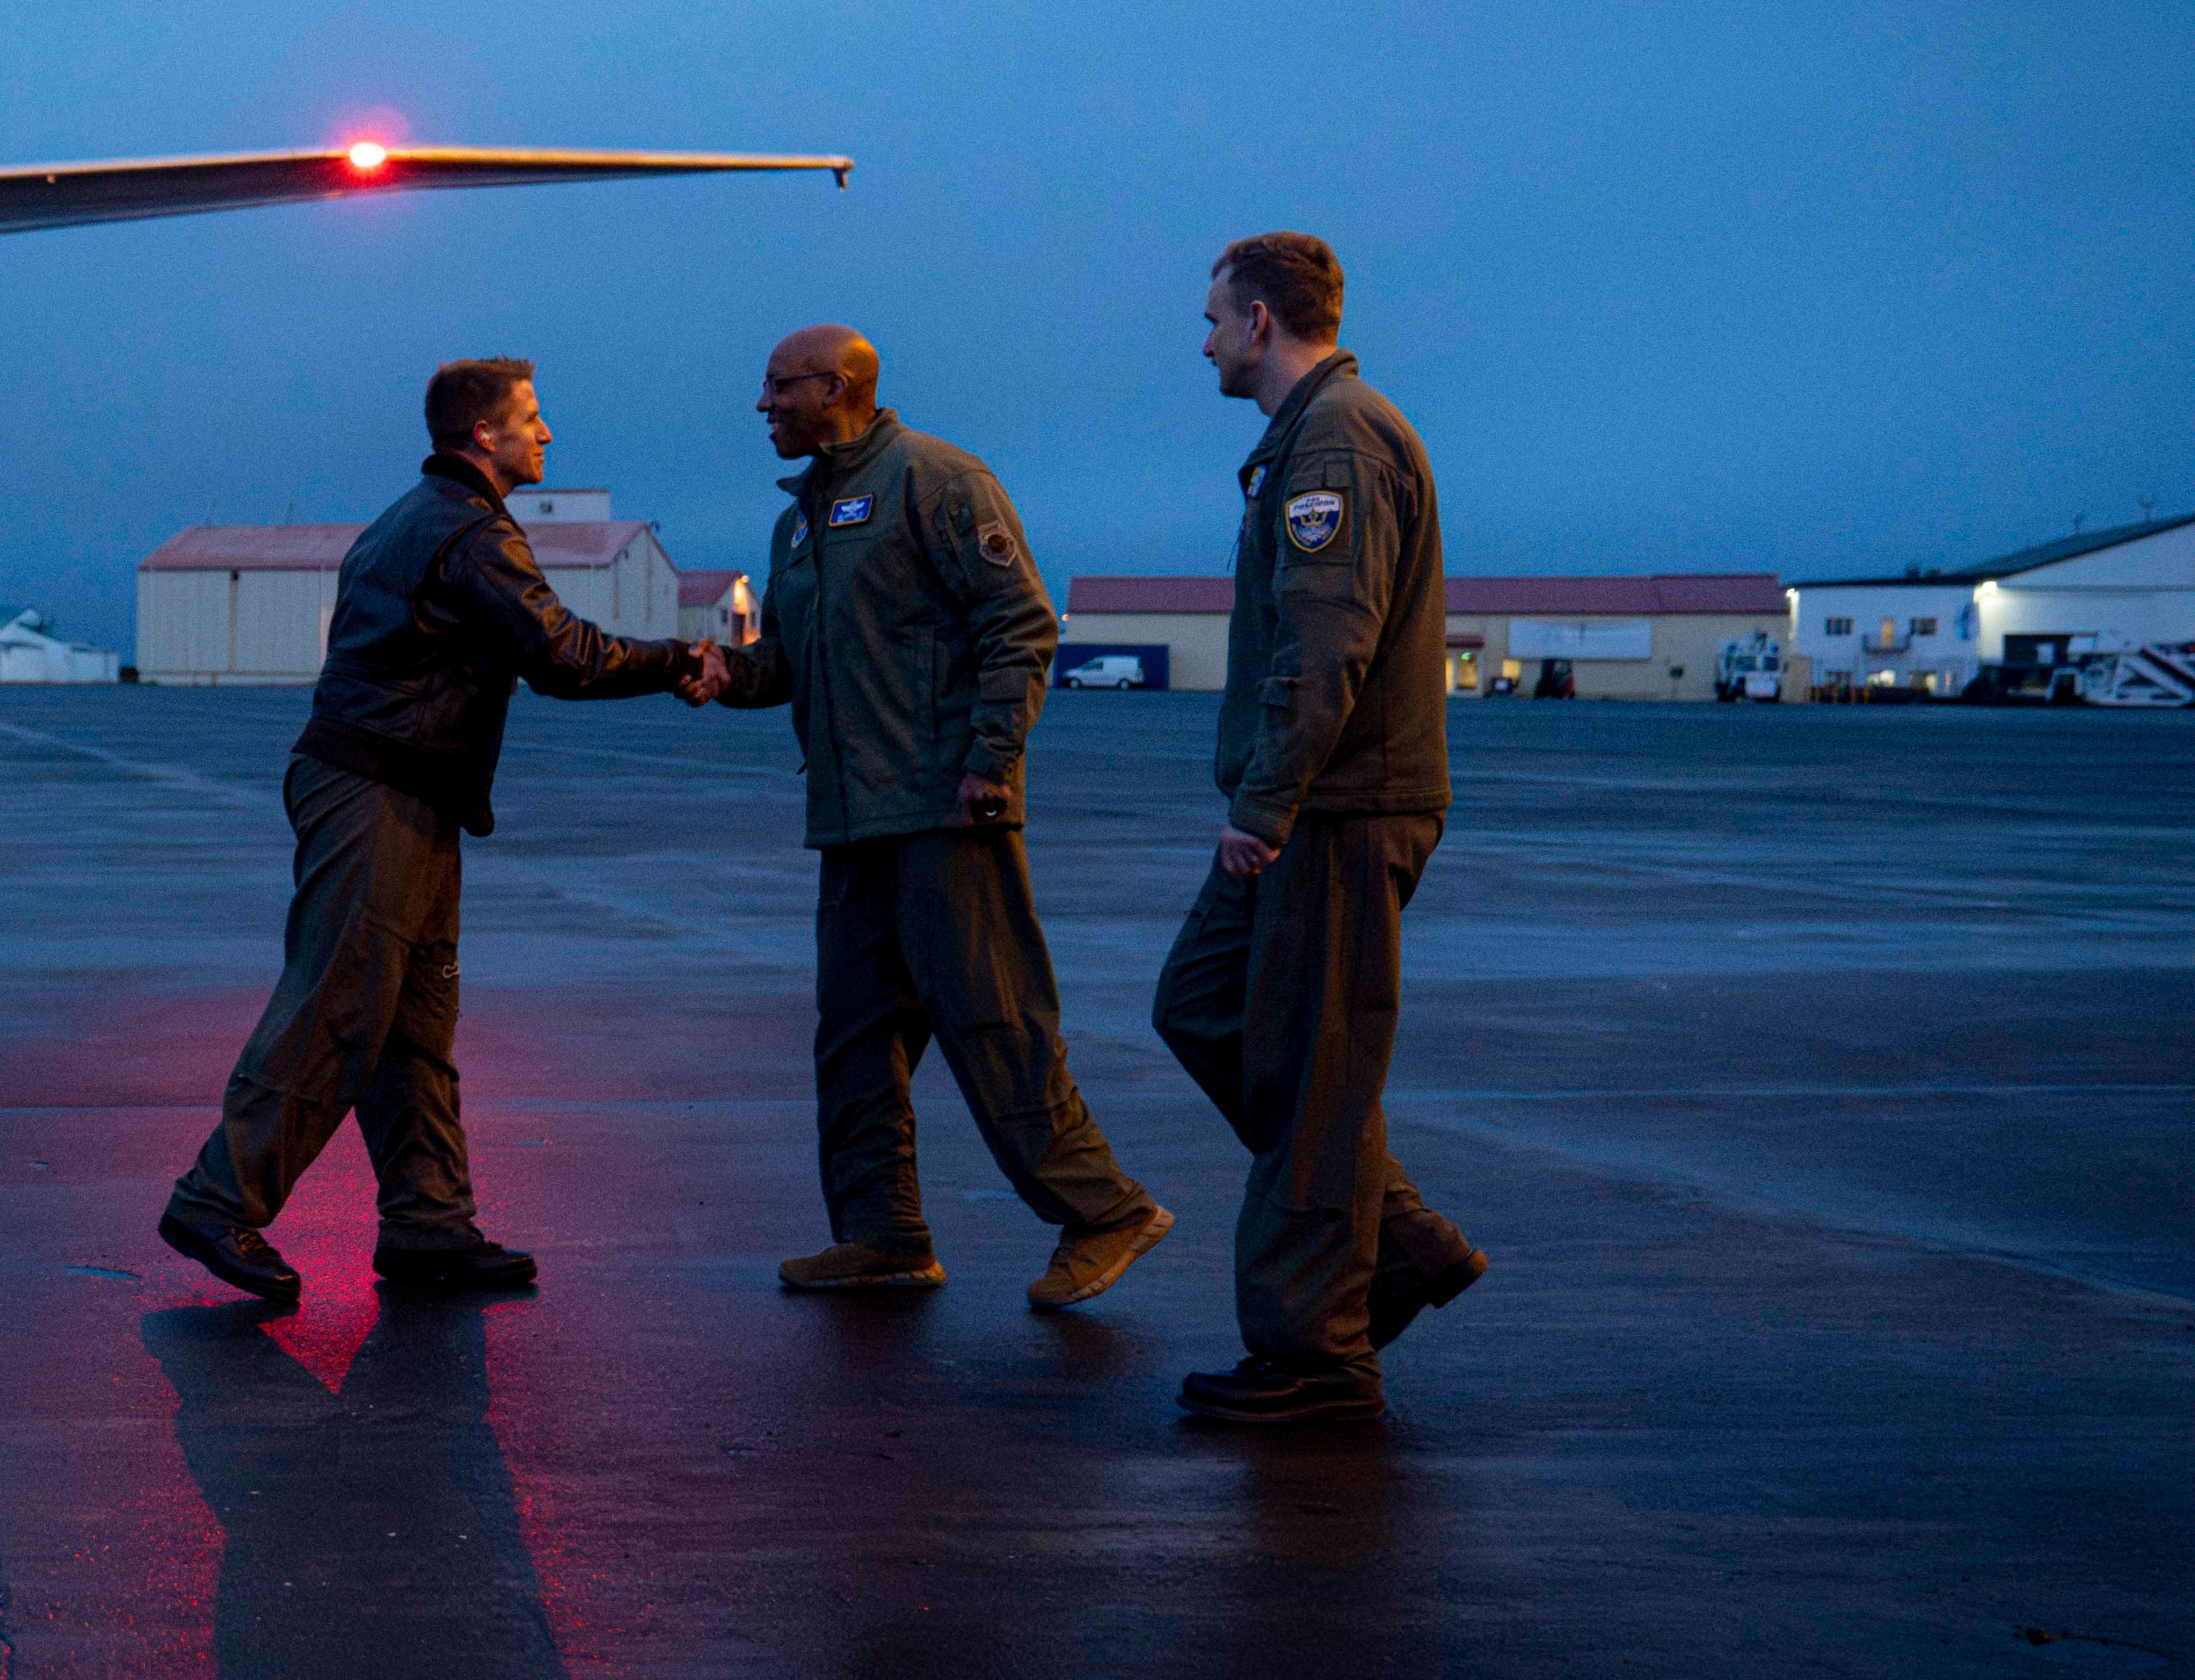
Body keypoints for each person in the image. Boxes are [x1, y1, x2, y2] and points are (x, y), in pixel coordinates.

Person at [160, 357, 720, 1303]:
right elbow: (561, 654)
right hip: (375, 791)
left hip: (397, 789)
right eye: (531, 419)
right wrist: (683, 660)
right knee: (335, 1003)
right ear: (482, 437)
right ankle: (219, 1201)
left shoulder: (413, 516)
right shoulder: (467, 531)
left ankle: (428, 1226)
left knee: (412, 1022)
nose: (546, 434)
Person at [709, 327, 1175, 1308]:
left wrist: (989, 762)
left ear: (835, 386)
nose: (763, 404)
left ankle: (1105, 1212)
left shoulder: (939, 480)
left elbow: (1021, 624)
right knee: (853, 1040)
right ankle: (882, 1236)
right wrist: (712, 671)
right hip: (851, 820)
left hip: (942, 809)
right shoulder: (799, 523)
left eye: (777, 385)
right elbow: (787, 666)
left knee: (992, 1021)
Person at [1150, 232, 1487, 1425]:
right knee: (1202, 1005)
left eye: (1210, 320)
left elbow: (1326, 645)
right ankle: (1395, 1241)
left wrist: (1267, 806)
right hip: (1314, 804)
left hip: (1337, 811)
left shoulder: (1336, 441)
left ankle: (1317, 1353)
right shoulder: (1309, 438)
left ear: (1258, 323)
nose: (1200, 343)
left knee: (1313, 1073)